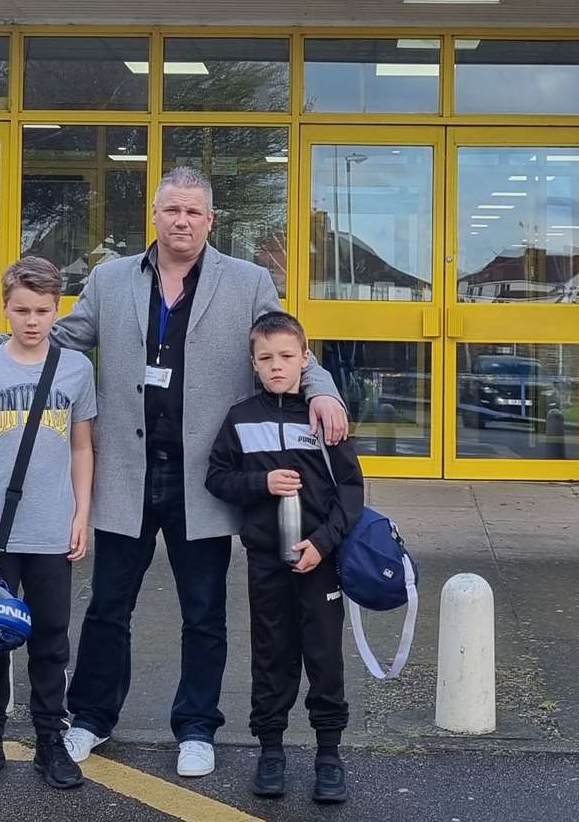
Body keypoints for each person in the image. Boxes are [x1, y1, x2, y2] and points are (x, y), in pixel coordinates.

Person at [0, 167, 347, 779]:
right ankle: (89, 718)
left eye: (193, 212)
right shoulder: (111, 280)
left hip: (203, 478)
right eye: (171, 211)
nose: (182, 221)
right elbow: (55, 333)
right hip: (125, 472)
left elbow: (288, 348)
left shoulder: (245, 283)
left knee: (203, 611)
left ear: (211, 220)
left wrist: (323, 394)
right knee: (109, 606)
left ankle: (196, 727)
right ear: (155, 216)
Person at [0, 256, 96, 791]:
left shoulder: (76, 369)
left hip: (52, 531)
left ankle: (50, 739)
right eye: (22, 310)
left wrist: (83, 514)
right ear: (4, 309)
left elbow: (82, 446)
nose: (32, 321)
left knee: (51, 639)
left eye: (44, 310)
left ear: (58, 310)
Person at [204, 310, 364, 805]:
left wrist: (324, 543)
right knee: (271, 654)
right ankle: (270, 751)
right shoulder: (240, 417)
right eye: (266, 358)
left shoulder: (323, 415)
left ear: (304, 358)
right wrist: (260, 484)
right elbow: (216, 477)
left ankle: (329, 755)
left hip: (320, 559)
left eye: (287, 357)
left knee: (324, 655)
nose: (277, 367)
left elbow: (352, 491)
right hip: (266, 561)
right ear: (254, 363)